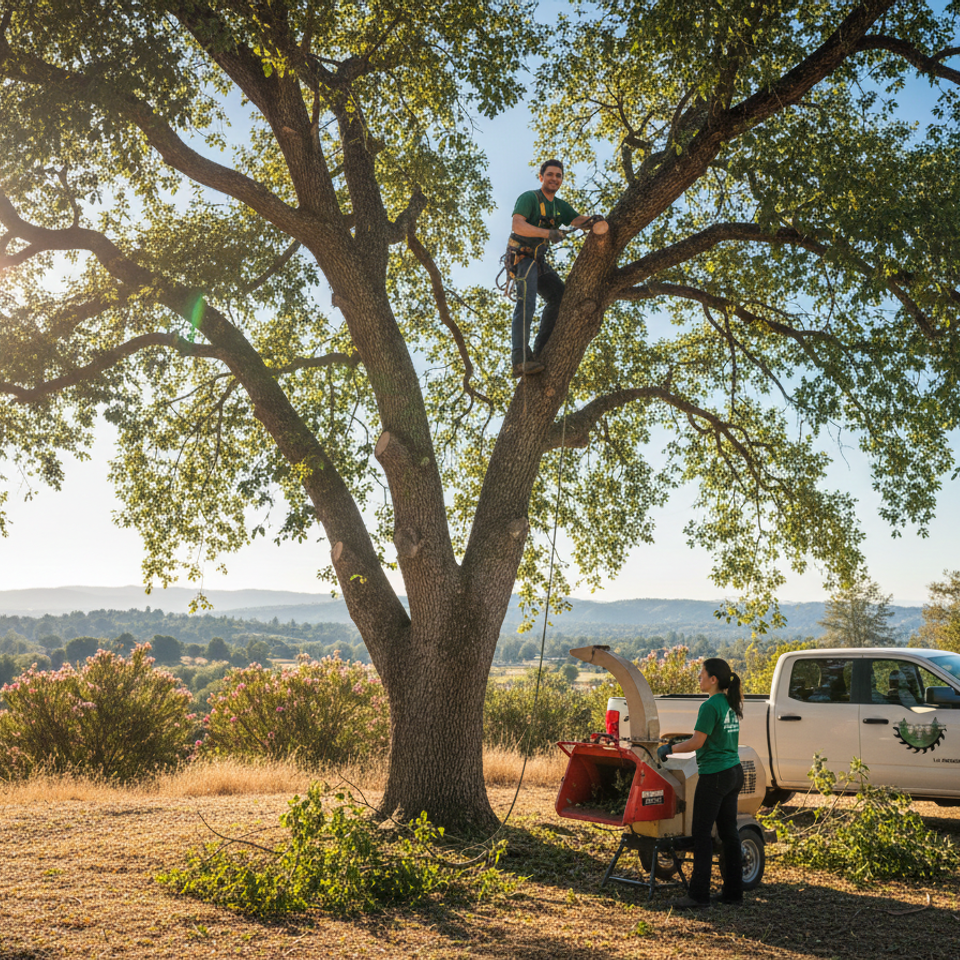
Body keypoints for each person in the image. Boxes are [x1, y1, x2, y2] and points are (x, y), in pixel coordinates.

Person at [657, 658, 744, 909]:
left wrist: (669, 748)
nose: (699, 677)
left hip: (715, 775)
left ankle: (698, 896)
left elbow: (697, 742)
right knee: (729, 833)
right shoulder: (729, 703)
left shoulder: (709, 706)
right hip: (733, 771)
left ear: (713, 679)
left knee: (701, 835)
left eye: (702, 673)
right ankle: (733, 893)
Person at [507, 159, 602, 377]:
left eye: (558, 176)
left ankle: (540, 351)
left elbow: (576, 219)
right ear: (541, 177)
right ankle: (519, 358)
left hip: (538, 261)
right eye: (550, 174)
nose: (554, 179)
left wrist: (593, 221)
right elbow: (517, 225)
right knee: (527, 302)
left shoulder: (559, 207)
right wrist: (548, 233)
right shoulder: (529, 197)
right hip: (522, 258)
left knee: (560, 297)